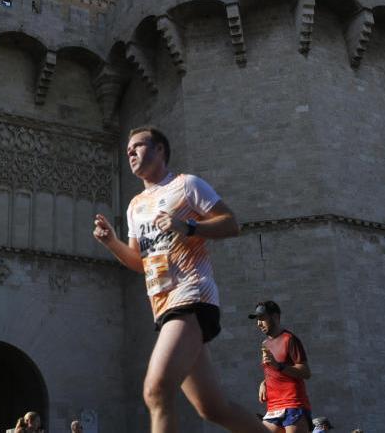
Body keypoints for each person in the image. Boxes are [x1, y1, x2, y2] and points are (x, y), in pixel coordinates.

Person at [93, 126, 265, 433]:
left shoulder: (187, 186)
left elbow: (231, 223)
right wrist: (112, 244)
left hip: (191, 296)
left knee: (156, 390)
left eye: (138, 146)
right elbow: (139, 262)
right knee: (213, 408)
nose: (130, 152)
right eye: (128, 149)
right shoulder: (135, 206)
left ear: (160, 150)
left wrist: (188, 227)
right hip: (163, 305)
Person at [253, 301, 312, 433]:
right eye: (257, 320)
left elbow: (306, 372)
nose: (258, 323)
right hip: (273, 408)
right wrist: (264, 383)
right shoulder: (265, 343)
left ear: (275, 317)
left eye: (262, 318)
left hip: (293, 405)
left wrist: (278, 365)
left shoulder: (289, 339)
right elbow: (273, 371)